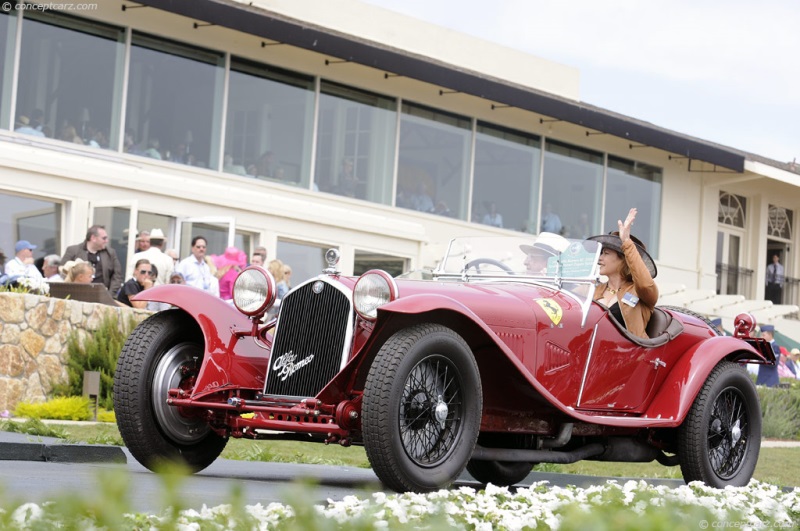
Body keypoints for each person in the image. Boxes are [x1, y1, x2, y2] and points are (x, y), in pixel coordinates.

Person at [587, 208, 659, 339]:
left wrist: (626, 242)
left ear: (623, 260)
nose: (600, 258)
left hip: (630, 357)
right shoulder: (595, 290)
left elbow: (645, 284)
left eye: (606, 253)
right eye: (601, 253)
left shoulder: (639, 292)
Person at [62, 224, 123, 297]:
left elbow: (117, 277)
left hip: (102, 296)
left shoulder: (110, 253)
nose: (106, 241)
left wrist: (108, 296)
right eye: (104, 238)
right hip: (77, 294)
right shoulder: (73, 251)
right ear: (93, 238)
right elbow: (62, 271)